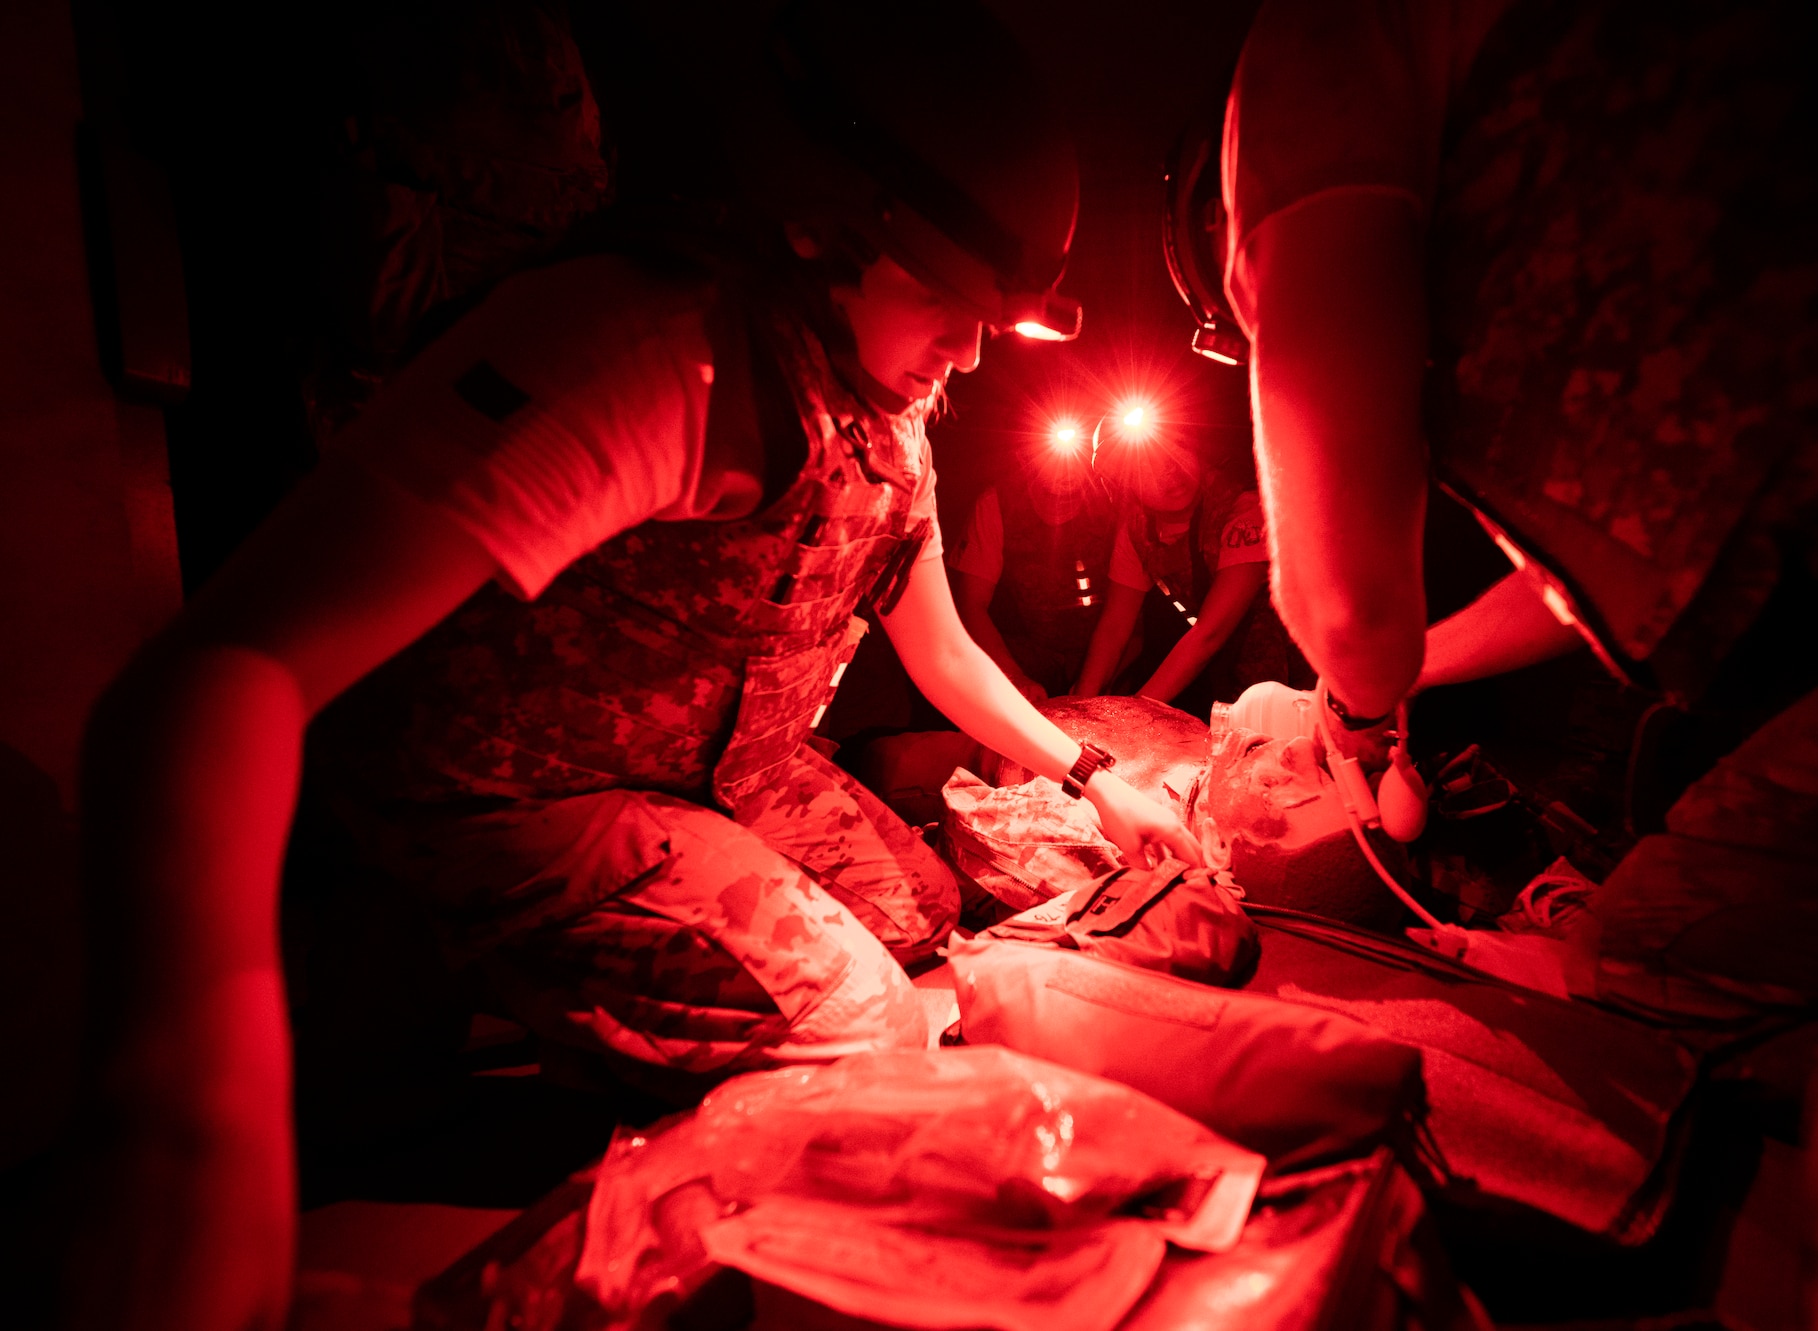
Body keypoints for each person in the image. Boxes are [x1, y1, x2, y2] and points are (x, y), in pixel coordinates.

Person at [68, 5, 1201, 1328]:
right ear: (818, 230)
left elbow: (937, 642)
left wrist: (1092, 770)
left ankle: (645, 1076)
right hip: (531, 787)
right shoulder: (652, 348)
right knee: (875, 1032)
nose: (970, 351)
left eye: (990, 320)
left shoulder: (889, 405)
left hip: (725, 768)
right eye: (947, 303)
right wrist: (188, 1124)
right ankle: (606, 1259)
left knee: (929, 923)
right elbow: (222, 672)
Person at [1208, 0, 1818, 1324]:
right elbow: (1561, 587)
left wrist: (1349, 703)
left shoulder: (1316, 54)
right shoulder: (1570, 92)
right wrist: (1392, 689)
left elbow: (1346, 608)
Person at [1072, 424, 1302, 708]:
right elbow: (1115, 628)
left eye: (1173, 448)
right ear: (1124, 482)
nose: (1169, 470)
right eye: (1145, 464)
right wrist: (1081, 705)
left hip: (1294, 673)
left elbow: (1210, 632)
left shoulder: (1242, 508)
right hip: (1221, 672)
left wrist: (1137, 709)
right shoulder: (1137, 529)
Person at [946, 437, 1114, 702]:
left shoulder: (1113, 499)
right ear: (1025, 456)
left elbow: (1126, 618)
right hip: (1035, 651)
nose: (1067, 467)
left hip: (1112, 653)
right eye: (1054, 453)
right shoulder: (998, 504)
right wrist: (1016, 679)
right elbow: (971, 605)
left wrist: (1092, 685)